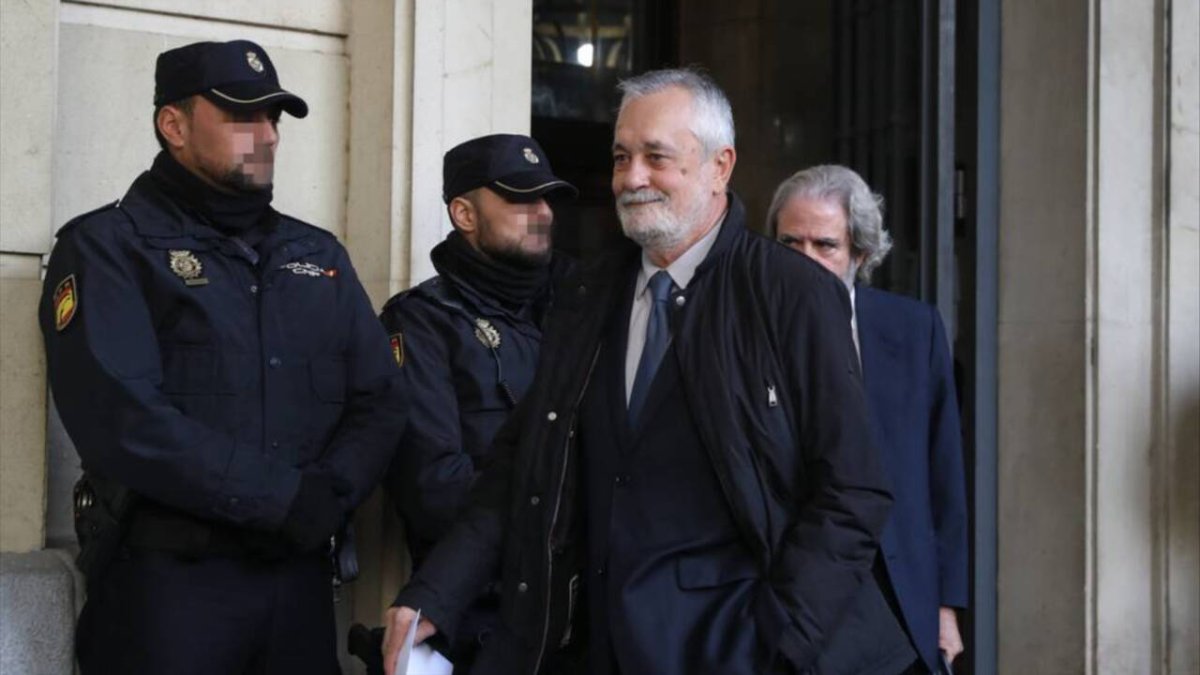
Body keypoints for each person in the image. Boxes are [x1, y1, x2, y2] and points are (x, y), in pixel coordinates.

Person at [383, 68, 915, 675]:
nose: (631, 178)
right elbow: (521, 467)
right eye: (620, 157)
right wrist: (438, 593)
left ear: (721, 166)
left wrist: (779, 644)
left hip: (744, 648)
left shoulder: (792, 294)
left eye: (656, 157)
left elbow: (852, 491)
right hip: (605, 647)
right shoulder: (587, 294)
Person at [39, 39, 407, 674]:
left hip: (296, 587)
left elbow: (380, 398)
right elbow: (124, 420)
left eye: (274, 118)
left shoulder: (317, 256)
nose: (266, 135)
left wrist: (330, 494)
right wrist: (285, 500)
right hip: (169, 590)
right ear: (173, 125)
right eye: (242, 115)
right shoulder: (107, 247)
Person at [379, 133, 577, 672]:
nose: (540, 213)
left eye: (545, 198)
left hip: (585, 610)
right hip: (483, 616)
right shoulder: (421, 321)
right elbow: (434, 491)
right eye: (518, 198)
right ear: (464, 213)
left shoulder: (581, 305)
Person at [768, 164, 970, 673]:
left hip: (900, 592)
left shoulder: (912, 329)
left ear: (859, 253)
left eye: (824, 245)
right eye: (791, 244)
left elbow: (942, 473)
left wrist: (946, 605)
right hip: (801, 595)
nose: (806, 262)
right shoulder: (748, 332)